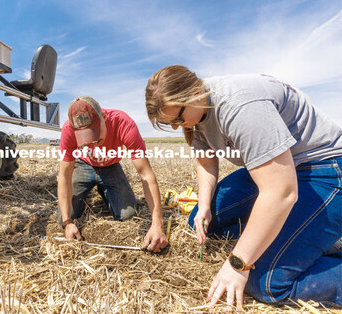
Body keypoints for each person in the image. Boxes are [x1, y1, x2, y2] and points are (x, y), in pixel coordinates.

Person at [145, 65, 342, 309]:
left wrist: (238, 263)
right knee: (200, 220)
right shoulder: (198, 111)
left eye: (177, 118)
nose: (177, 126)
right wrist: (205, 205)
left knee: (265, 282)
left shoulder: (239, 107)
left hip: (324, 170)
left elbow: (281, 192)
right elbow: (206, 161)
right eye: (169, 123)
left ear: (195, 93)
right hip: (272, 169)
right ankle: (298, 238)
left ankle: (298, 242)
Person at [57, 96, 168, 253]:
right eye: (86, 137)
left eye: (95, 134)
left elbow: (146, 175)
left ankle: (105, 189)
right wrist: (67, 222)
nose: (93, 143)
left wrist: (157, 224)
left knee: (128, 214)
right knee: (63, 214)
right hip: (83, 165)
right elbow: (64, 176)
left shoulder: (123, 123)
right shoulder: (68, 129)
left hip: (111, 166)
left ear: (104, 117)